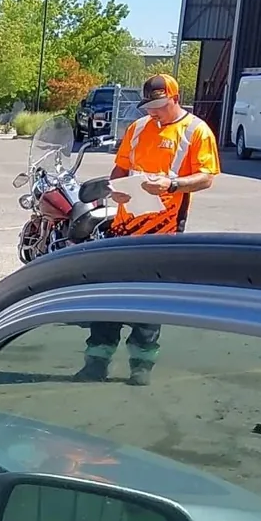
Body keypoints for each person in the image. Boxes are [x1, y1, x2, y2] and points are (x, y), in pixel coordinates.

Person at [77, 73, 219, 386]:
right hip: (123, 227)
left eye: (159, 105)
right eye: (150, 106)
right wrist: (115, 188)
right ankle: (95, 364)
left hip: (162, 233)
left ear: (175, 99)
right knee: (107, 299)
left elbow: (206, 177)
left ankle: (140, 367)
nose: (153, 111)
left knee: (148, 303)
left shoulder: (196, 130)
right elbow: (121, 167)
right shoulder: (138, 128)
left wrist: (172, 184)